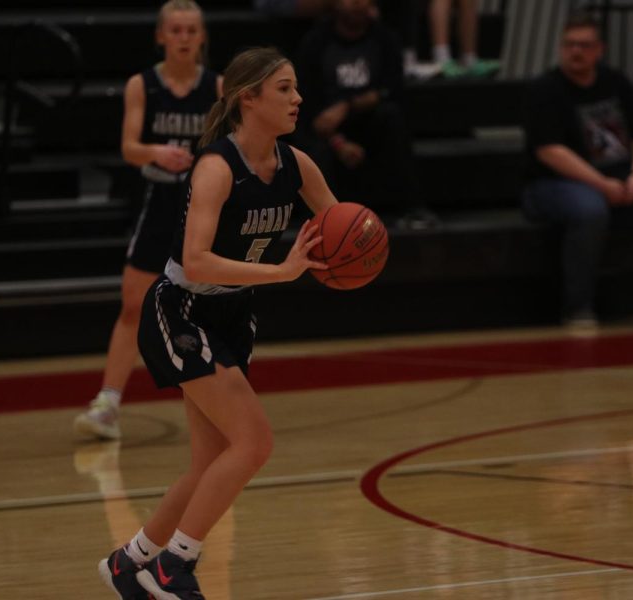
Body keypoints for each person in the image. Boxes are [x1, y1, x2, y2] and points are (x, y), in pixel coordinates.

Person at [96, 47, 338, 599]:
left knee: (210, 462)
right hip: (180, 309)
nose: (298, 98)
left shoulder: (297, 164)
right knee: (253, 442)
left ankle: (127, 563)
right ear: (247, 98)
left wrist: (353, 252)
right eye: (284, 88)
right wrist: (283, 270)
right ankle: (173, 567)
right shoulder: (215, 166)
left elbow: (337, 223)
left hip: (232, 312)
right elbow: (197, 258)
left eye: (297, 87)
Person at [74, 0, 222, 440]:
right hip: (158, 202)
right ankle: (108, 403)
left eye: (190, 30)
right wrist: (157, 152)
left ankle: (218, 403)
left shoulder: (217, 87)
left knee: (207, 310)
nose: (182, 37)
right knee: (133, 305)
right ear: (160, 36)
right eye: (174, 30)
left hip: (203, 208)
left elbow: (230, 146)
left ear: (202, 37)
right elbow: (128, 147)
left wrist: (203, 162)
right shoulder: (143, 85)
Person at [521, 11, 633, 328]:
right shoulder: (545, 89)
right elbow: (550, 151)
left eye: (584, 45)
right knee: (590, 210)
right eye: (569, 45)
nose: (576, 51)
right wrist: (601, 184)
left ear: (599, 50)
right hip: (553, 185)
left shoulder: (616, 82)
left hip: (621, 179)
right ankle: (577, 307)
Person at [295, 0, 437, 228]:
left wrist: (348, 106)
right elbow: (311, 109)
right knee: (311, 141)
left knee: (391, 116)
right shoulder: (315, 42)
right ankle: (324, 223)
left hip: (367, 124)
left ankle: (412, 209)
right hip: (327, 128)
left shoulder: (385, 39)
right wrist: (339, 143)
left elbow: (392, 90)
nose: (357, 4)